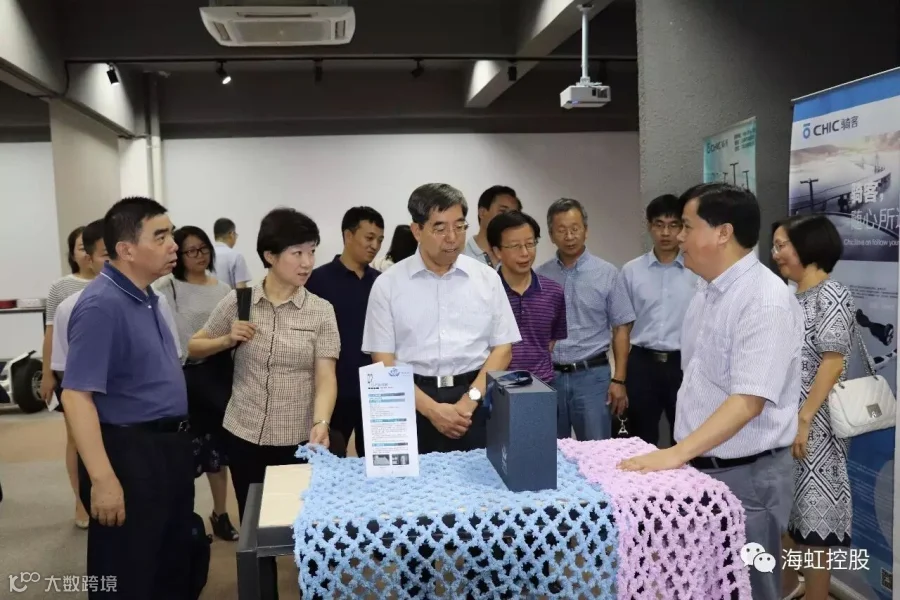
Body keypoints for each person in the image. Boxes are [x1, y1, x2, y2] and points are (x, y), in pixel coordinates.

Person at [618, 183, 802, 600]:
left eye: (687, 226)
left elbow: (748, 401)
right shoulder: (707, 290)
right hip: (703, 468)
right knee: (705, 585)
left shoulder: (764, 300)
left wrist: (674, 453)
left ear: (723, 233)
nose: (678, 237)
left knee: (751, 589)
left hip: (747, 477)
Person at [61, 197, 193, 600]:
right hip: (131, 453)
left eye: (171, 234)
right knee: (128, 572)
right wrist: (103, 481)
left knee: (170, 564)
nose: (174, 245)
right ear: (126, 249)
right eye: (161, 236)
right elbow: (76, 396)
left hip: (167, 449)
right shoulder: (102, 305)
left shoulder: (147, 296)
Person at [188, 208, 340, 521]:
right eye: (297, 253)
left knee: (297, 521)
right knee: (252, 519)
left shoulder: (321, 311)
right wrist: (227, 339)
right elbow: (194, 346)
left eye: (312, 251)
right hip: (244, 432)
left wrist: (322, 422)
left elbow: (326, 377)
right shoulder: (239, 301)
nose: (307, 262)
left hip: (298, 436)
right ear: (270, 256)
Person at [362, 183, 521, 454]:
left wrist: (468, 402)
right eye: (440, 228)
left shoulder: (486, 279)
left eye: (459, 226)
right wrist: (432, 410)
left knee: (478, 479)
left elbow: (503, 349)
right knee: (412, 482)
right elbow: (382, 361)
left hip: (474, 401)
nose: (452, 237)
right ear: (417, 230)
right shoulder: (388, 285)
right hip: (410, 402)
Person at [772, 215, 854, 600]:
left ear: (808, 247)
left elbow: (832, 362)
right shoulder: (790, 296)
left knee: (816, 528)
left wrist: (804, 419)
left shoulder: (831, 294)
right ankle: (789, 588)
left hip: (816, 430)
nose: (776, 254)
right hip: (784, 426)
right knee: (790, 519)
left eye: (782, 245)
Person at [154, 226, 238, 541]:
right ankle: (186, 521)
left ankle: (220, 513)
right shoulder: (165, 287)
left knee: (217, 452)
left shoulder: (223, 289)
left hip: (217, 376)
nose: (199, 255)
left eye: (203, 249)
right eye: (191, 250)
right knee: (184, 454)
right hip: (182, 377)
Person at [536, 198, 634, 441]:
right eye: (561, 230)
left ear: (586, 230)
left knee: (597, 450)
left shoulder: (607, 273)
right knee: (549, 450)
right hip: (550, 378)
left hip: (592, 378)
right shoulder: (539, 276)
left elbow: (621, 329)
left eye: (575, 228)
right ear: (551, 235)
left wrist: (619, 380)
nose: (569, 236)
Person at [619, 194, 699, 446]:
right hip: (642, 363)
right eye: (659, 225)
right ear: (649, 226)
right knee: (640, 439)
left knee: (686, 437)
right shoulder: (631, 271)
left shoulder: (697, 271)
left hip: (683, 363)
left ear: (683, 228)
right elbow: (622, 327)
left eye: (673, 225)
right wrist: (619, 377)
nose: (666, 233)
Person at [305, 207, 384, 457]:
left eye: (380, 240)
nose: (375, 246)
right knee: (330, 458)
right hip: (334, 390)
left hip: (375, 391)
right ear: (348, 236)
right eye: (369, 237)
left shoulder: (381, 282)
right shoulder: (317, 281)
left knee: (375, 461)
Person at [41, 222, 102, 529]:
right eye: (80, 247)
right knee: (77, 437)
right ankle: (80, 500)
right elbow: (51, 332)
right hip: (71, 370)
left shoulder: (112, 281)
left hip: (106, 372)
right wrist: (46, 372)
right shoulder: (61, 287)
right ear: (75, 254)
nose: (86, 253)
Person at [487, 210, 567, 385]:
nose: (525, 253)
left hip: (542, 386)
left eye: (530, 244)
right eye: (515, 246)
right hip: (495, 388)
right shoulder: (485, 293)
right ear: (497, 251)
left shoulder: (553, 292)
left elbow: (549, 343)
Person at [463, 185, 521, 266]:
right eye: (502, 211)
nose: (509, 219)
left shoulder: (517, 258)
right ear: (482, 213)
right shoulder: (461, 257)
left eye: (513, 214)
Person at [212, 217, 252, 289]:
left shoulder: (206, 255)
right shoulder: (236, 256)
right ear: (231, 234)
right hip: (229, 296)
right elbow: (241, 288)